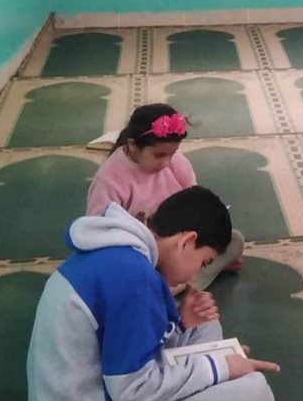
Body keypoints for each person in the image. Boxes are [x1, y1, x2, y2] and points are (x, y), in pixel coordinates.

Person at [28, 186, 277, 401]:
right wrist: (221, 367)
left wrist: (181, 324)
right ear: (187, 242)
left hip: (95, 393)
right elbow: (130, 390)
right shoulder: (136, 280)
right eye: (203, 262)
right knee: (256, 395)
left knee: (205, 323)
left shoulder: (118, 250)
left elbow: (121, 338)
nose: (196, 273)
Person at [87, 103, 246, 290]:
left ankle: (184, 280)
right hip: (139, 258)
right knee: (124, 281)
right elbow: (98, 235)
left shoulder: (177, 164)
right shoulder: (110, 179)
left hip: (179, 250)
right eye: (159, 155)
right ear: (133, 146)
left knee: (234, 240)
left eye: (172, 154)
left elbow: (196, 206)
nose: (166, 162)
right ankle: (185, 282)